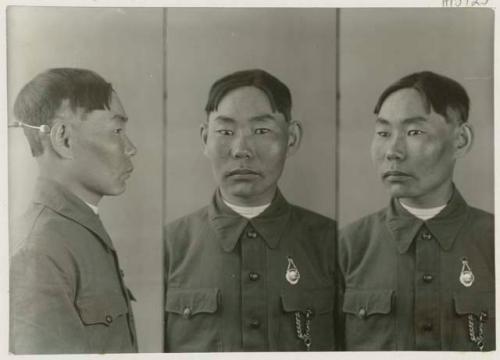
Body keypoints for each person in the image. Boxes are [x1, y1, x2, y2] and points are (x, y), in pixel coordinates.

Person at [164, 69, 342, 352]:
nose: (241, 150)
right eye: (225, 131)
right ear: (204, 138)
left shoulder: (334, 244)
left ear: (292, 138)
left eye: (261, 131)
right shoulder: (169, 246)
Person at [339, 71, 495, 351]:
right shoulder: (347, 247)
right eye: (383, 133)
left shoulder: (492, 240)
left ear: (461, 140)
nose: (393, 151)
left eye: (414, 132)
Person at [9, 68, 138, 354]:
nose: (131, 148)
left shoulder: (76, 230)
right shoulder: (40, 249)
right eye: (116, 131)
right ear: (63, 139)